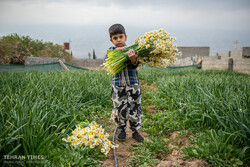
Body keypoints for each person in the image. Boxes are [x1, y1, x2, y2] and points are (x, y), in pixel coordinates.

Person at [105, 24, 144, 142]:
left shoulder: (132, 50)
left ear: (125, 37)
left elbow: (135, 64)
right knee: (119, 107)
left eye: (120, 37)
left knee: (135, 107)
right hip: (117, 85)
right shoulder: (110, 52)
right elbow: (107, 62)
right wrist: (119, 52)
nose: (118, 40)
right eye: (115, 38)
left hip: (133, 84)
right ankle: (121, 129)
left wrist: (132, 59)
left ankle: (135, 130)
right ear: (111, 40)